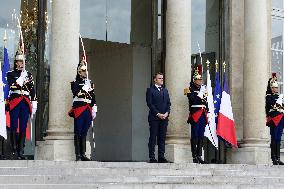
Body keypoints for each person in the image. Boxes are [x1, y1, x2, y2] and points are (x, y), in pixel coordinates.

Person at [6, 46, 37, 160]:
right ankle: (14, 150)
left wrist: (34, 102)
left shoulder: (28, 74)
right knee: (14, 126)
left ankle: (21, 150)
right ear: (16, 62)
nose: (21, 63)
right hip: (15, 101)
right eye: (19, 61)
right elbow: (12, 85)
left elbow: (32, 89)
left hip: (25, 102)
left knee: (23, 126)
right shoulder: (11, 74)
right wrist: (20, 79)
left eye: (23, 61)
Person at [68, 58, 97, 161]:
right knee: (78, 131)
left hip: (88, 109)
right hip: (79, 108)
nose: (85, 73)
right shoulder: (74, 83)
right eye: (83, 71)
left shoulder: (90, 83)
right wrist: (84, 88)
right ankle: (78, 154)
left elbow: (93, 97)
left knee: (84, 131)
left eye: (86, 70)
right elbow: (76, 92)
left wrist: (94, 108)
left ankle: (83, 154)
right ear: (79, 72)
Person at [184, 66, 208, 164]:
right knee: (195, 135)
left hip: (202, 113)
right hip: (195, 113)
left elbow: (206, 102)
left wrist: (208, 111)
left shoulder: (203, 89)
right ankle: (194, 156)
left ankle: (199, 155)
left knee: (201, 136)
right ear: (194, 80)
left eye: (201, 79)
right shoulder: (188, 89)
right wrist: (200, 94)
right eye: (198, 79)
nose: (200, 81)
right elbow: (192, 99)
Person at [146, 72, 171, 163]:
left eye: (162, 78)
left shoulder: (165, 90)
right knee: (153, 137)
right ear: (155, 80)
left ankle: (161, 156)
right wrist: (158, 114)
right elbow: (150, 104)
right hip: (154, 118)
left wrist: (167, 113)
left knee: (162, 137)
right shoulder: (150, 90)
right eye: (159, 78)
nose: (161, 80)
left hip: (164, 118)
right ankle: (152, 157)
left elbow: (168, 103)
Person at [265, 73, 284, 165]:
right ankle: (273, 158)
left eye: (276, 87)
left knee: (278, 138)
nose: (275, 89)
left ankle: (278, 157)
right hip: (274, 119)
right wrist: (279, 105)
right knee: (274, 138)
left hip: (281, 119)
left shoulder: (280, 97)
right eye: (273, 87)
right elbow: (273, 106)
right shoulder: (269, 97)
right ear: (271, 88)